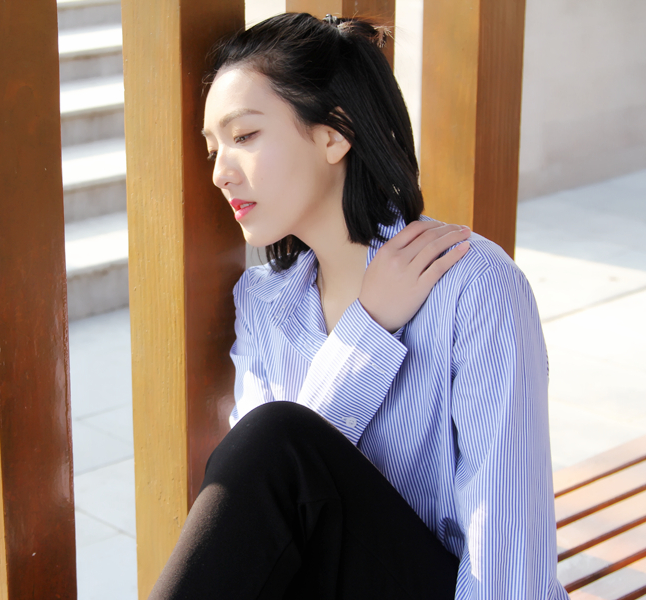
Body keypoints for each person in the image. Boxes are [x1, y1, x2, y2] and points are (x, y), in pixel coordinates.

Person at [151, 12, 568, 600]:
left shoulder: (473, 286)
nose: (220, 173)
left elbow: (507, 552)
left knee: (271, 437)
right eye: (213, 149)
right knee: (265, 444)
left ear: (334, 134)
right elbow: (262, 509)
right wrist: (365, 329)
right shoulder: (266, 301)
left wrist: (361, 334)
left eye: (244, 136)